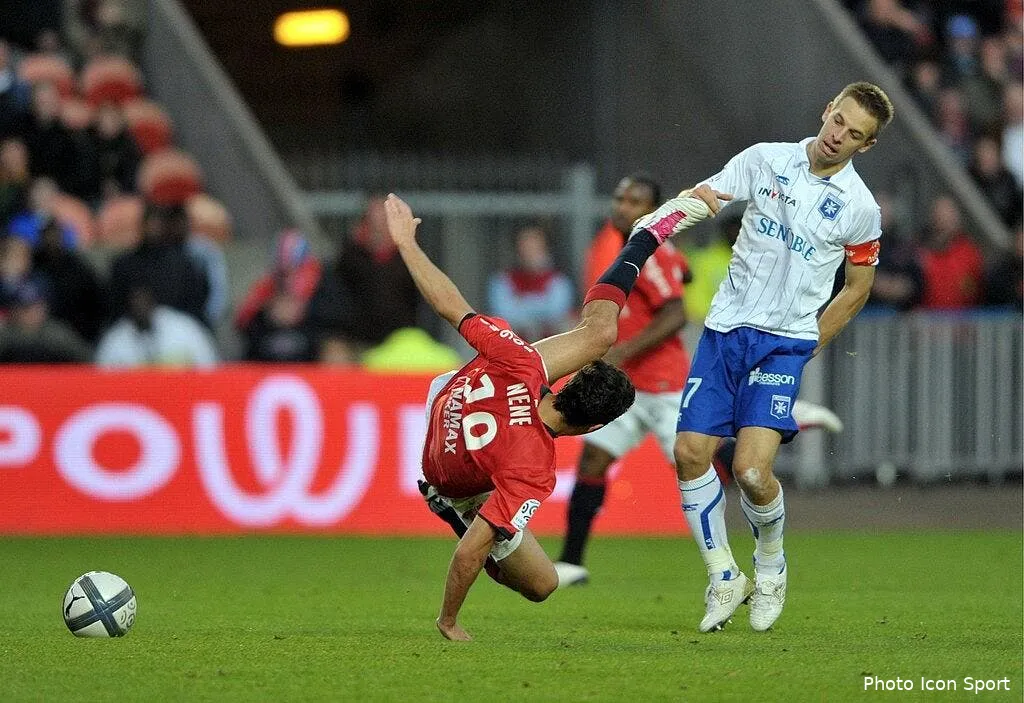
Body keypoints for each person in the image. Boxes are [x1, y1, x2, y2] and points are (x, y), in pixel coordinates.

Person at [387, 183, 728, 641]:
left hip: (446, 398)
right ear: (595, 426)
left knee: (596, 335)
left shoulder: (521, 360)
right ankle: (448, 506)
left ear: (572, 378)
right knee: (539, 584)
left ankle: (643, 237)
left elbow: (451, 306)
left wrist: (407, 243)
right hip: (449, 482)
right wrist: (448, 620)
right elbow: (471, 551)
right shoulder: (534, 470)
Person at [669, 82, 894, 633]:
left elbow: (858, 287)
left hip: (784, 341)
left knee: (749, 470)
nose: (839, 137)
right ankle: (723, 575)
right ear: (827, 111)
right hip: (725, 329)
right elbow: (711, 195)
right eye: (838, 121)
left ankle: (770, 565)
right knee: (690, 452)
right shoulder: (765, 159)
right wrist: (666, 220)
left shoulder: (861, 209)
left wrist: (806, 346)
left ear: (865, 147)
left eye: (855, 134)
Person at [554, 176, 845, 588]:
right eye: (620, 198)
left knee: (703, 461)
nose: (623, 206)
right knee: (593, 461)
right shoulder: (642, 251)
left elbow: (674, 313)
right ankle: (571, 561)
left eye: (636, 201)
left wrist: (619, 351)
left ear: (653, 210)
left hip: (664, 384)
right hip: (629, 388)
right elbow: (685, 275)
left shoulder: (649, 254)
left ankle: (781, 421)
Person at [486, 224, 574, 341]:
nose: (530, 252)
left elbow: (556, 313)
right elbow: (504, 314)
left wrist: (520, 304)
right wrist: (541, 305)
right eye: (525, 247)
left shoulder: (559, 281)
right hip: (511, 348)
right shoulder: (502, 281)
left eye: (535, 247)